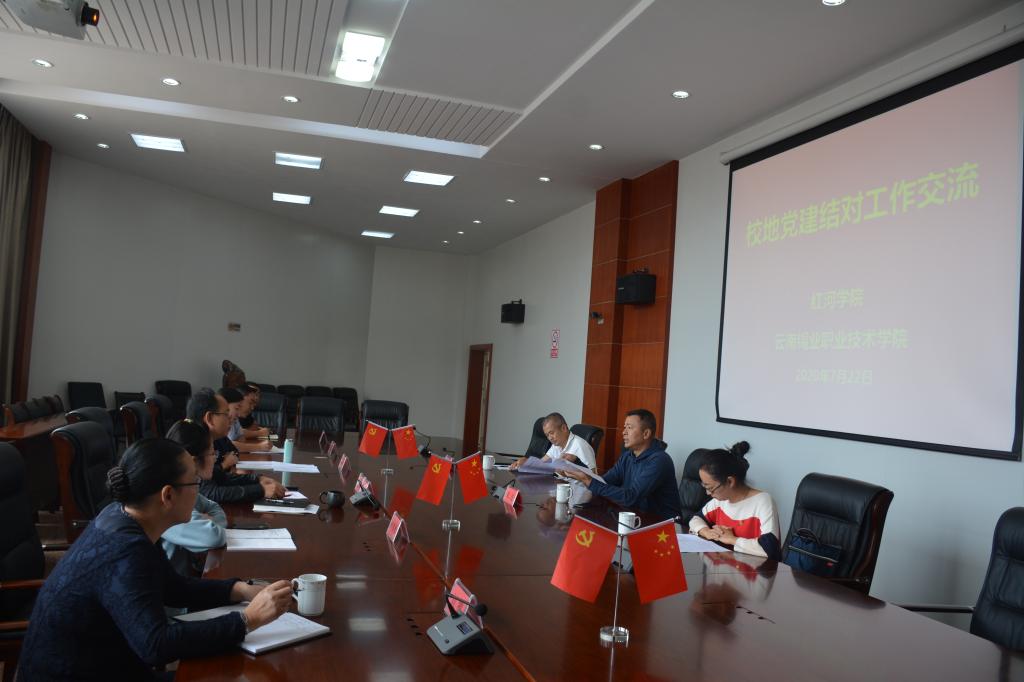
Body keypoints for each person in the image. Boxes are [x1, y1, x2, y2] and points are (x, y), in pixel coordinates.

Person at [19, 438, 293, 681]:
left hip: (108, 665)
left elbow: (172, 586)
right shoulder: (125, 550)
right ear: (167, 495)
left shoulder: (121, 516)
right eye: (195, 483)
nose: (199, 490)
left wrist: (240, 590)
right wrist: (248, 619)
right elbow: (156, 645)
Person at [558, 409, 681, 520]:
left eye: (629, 427)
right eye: (624, 427)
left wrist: (588, 480)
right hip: (634, 518)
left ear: (646, 434)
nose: (624, 432)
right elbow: (604, 482)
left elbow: (631, 497)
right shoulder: (628, 456)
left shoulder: (660, 460)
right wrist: (577, 467)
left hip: (662, 526)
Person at [186, 388, 284, 503]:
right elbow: (211, 493)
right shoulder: (190, 442)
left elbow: (220, 477)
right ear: (210, 418)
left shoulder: (207, 438)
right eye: (226, 414)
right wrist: (261, 490)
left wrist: (257, 479)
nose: (232, 418)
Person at [687, 441, 781, 560]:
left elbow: (769, 549)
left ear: (730, 481)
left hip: (755, 569)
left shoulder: (763, 502)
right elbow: (696, 519)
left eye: (710, 488)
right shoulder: (720, 501)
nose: (708, 493)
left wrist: (732, 540)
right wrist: (705, 531)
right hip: (725, 566)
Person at [161, 419, 227, 576]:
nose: (215, 458)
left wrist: (210, 521)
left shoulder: (187, 487)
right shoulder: (169, 499)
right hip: (172, 586)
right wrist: (210, 524)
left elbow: (215, 507)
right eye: (212, 453)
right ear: (193, 460)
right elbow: (214, 536)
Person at [510, 412, 596, 471]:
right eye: (547, 435)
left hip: (576, 490)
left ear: (564, 428)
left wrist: (570, 467)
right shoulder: (556, 445)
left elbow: (593, 477)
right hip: (559, 485)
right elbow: (541, 463)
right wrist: (526, 462)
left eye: (551, 433)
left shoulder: (580, 446)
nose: (550, 438)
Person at [219, 387, 267, 454]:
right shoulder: (220, 423)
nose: (238, 413)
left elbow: (241, 438)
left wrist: (239, 445)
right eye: (236, 408)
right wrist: (259, 447)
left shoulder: (233, 419)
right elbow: (228, 444)